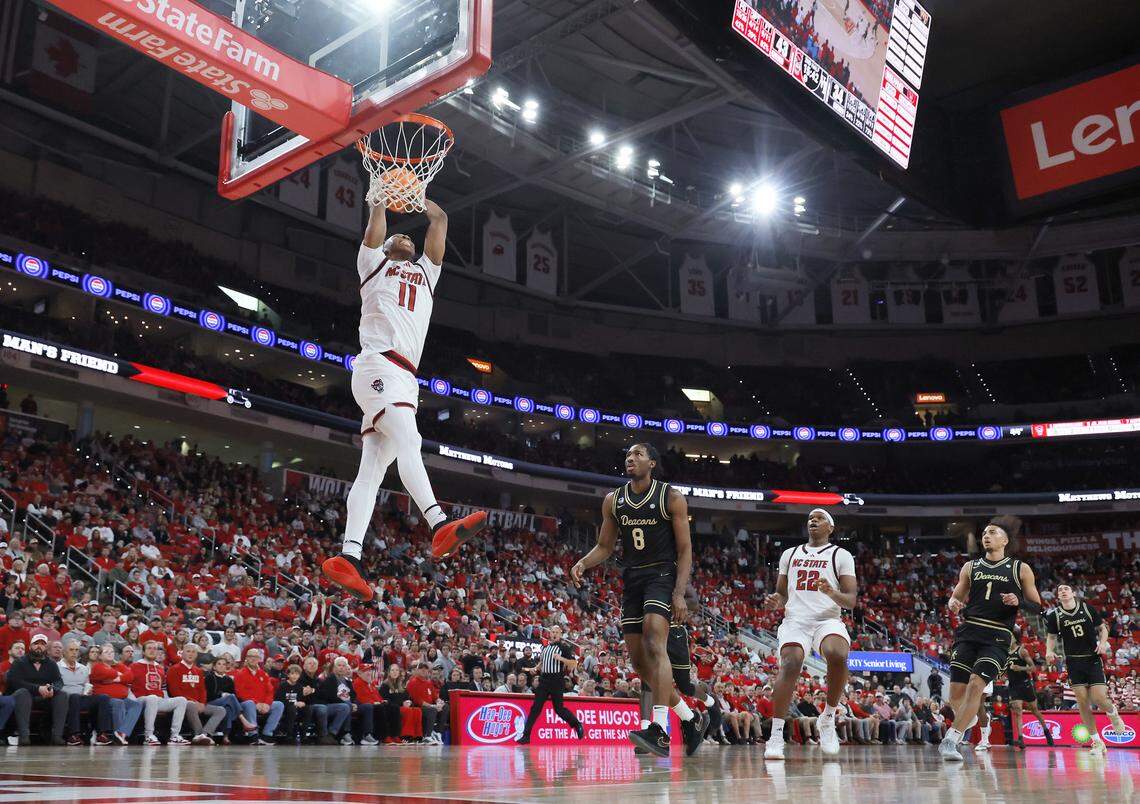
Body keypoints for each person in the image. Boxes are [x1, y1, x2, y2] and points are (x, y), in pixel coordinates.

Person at [321, 196, 488, 601]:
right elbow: (374, 228)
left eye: (409, 239)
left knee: (372, 472)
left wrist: (426, 202)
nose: (406, 240)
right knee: (410, 442)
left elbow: (440, 225)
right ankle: (437, 523)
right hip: (379, 366)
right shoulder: (373, 264)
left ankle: (349, 556)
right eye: (399, 236)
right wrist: (380, 198)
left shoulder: (426, 275)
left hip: (404, 379)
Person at [570, 443, 701, 757]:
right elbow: (604, 545)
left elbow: (685, 550)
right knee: (641, 664)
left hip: (662, 575)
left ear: (652, 463)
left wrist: (679, 593)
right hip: (632, 578)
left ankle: (659, 730)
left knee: (656, 642)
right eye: (627, 454)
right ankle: (689, 717)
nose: (630, 458)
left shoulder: (671, 497)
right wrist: (583, 562)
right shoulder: (613, 501)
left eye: (638, 454)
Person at [940, 516, 1041, 761]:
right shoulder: (970, 567)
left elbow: (1037, 605)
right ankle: (968, 716)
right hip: (969, 631)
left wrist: (1019, 602)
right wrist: (953, 603)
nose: (986, 535)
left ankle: (951, 740)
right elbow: (956, 599)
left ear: (1005, 540)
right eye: (984, 532)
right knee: (955, 696)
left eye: (992, 532)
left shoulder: (1020, 569)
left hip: (997, 635)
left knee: (977, 684)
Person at [763, 508, 857, 759]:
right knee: (791, 662)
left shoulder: (841, 555)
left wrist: (831, 593)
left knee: (837, 653)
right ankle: (775, 736)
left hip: (827, 619)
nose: (813, 520)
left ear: (831, 528)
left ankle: (827, 718)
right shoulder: (789, 554)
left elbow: (850, 600)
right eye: (810, 518)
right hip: (796, 620)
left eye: (820, 518)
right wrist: (776, 601)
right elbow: (782, 594)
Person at [1045, 583, 1128, 757]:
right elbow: (1051, 636)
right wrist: (1049, 650)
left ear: (1073, 593)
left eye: (1066, 589)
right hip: (1074, 662)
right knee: (1082, 702)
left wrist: (1104, 643)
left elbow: (1102, 628)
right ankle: (1097, 742)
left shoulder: (1087, 608)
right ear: (1058, 597)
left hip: (1092, 659)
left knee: (1098, 698)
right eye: (1059, 590)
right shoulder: (1056, 616)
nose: (1063, 591)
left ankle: (1113, 713)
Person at [635, 586, 711, 755]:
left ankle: (696, 714)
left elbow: (694, 603)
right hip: (649, 629)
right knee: (648, 682)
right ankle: (650, 731)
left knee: (683, 685)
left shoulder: (675, 575)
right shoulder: (642, 574)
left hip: (673, 632)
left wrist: (667, 600)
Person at [515, 625, 585, 745]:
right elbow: (542, 662)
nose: (554, 634)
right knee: (535, 708)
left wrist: (561, 659)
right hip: (544, 680)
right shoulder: (545, 647)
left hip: (556, 680)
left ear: (560, 634)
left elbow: (573, 664)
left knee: (559, 709)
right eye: (552, 631)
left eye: (557, 632)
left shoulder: (564, 648)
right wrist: (535, 669)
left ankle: (577, 724)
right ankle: (526, 736)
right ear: (549, 633)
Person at [5, 632, 69, 745]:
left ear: (46, 647)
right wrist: (38, 688)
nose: (39, 646)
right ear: (30, 647)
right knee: (23, 692)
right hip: (23, 698)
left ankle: (57, 736)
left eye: (42, 644)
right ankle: (24, 736)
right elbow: (14, 682)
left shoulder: (51, 664)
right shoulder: (19, 662)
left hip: (44, 698)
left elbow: (59, 681)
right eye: (36, 643)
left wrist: (52, 689)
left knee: (62, 695)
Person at [131, 639, 189, 746]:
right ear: (143, 652)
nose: (152, 651)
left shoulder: (160, 668)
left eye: (155, 649)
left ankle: (174, 736)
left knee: (181, 700)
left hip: (157, 700)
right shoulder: (134, 666)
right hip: (140, 699)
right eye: (149, 648)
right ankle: (148, 735)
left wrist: (166, 700)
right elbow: (128, 686)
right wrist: (132, 703)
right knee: (152, 698)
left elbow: (163, 688)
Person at [165, 644, 227, 745]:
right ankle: (198, 734)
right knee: (190, 705)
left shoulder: (198, 671)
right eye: (188, 651)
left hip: (199, 703)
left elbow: (202, 690)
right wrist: (194, 702)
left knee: (220, 710)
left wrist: (202, 703)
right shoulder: (174, 669)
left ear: (197, 655)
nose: (191, 654)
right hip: (182, 703)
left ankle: (205, 734)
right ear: (182, 653)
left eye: (193, 652)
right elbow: (174, 692)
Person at [57, 640, 114, 745]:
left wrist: (88, 691)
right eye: (71, 650)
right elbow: (56, 687)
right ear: (64, 652)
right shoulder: (57, 667)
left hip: (82, 697)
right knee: (75, 697)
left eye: (76, 650)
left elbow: (86, 684)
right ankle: (73, 735)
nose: (74, 652)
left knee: (104, 698)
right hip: (66, 699)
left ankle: (102, 734)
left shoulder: (83, 668)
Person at [1004, 635, 1054, 749]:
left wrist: (1020, 668)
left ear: (1015, 638)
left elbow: (1033, 668)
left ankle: (1046, 732)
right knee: (1017, 710)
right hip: (1013, 685)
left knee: (1034, 710)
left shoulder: (1022, 651)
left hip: (1025, 684)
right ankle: (1021, 738)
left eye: (1010, 636)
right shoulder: (1006, 652)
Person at [90, 643, 144, 744]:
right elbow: (108, 673)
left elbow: (131, 676)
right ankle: (118, 732)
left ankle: (122, 732)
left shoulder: (119, 665)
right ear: (100, 656)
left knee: (136, 705)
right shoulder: (97, 667)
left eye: (112, 652)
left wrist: (116, 679)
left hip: (122, 698)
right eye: (106, 652)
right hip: (107, 700)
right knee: (119, 703)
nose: (110, 654)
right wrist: (120, 675)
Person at [233, 648, 285, 744]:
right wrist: (257, 703)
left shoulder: (263, 674)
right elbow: (240, 693)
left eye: (256, 657)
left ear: (259, 659)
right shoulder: (240, 673)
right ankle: (253, 733)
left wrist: (266, 703)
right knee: (250, 703)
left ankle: (267, 734)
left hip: (262, 703)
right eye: (250, 656)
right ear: (246, 658)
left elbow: (270, 691)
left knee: (279, 705)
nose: (253, 659)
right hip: (246, 704)